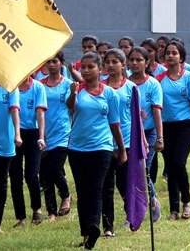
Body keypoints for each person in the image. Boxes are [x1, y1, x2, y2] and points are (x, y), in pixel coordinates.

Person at [66, 52, 126, 250]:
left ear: (100, 69)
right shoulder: (77, 90)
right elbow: (70, 107)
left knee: (95, 189)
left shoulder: (109, 94)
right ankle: (86, 233)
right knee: (82, 191)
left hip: (101, 148)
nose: (86, 70)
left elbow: (115, 123)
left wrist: (121, 149)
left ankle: (94, 227)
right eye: (83, 67)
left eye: (90, 67)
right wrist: (73, 93)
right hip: (76, 148)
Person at [157, 40, 190, 220]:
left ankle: (186, 202)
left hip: (185, 125)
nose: (170, 55)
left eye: (174, 53)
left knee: (178, 163)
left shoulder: (189, 78)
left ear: (181, 56)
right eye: (168, 52)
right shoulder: (159, 79)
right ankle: (173, 209)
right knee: (170, 166)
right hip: (166, 126)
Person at [101, 49, 136, 238]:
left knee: (124, 184)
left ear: (124, 65)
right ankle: (108, 226)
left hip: (127, 141)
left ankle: (131, 215)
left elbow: (136, 116)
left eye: (115, 61)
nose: (111, 65)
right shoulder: (99, 87)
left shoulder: (131, 88)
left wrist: (143, 141)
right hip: (105, 142)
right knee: (106, 187)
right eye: (108, 61)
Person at [128, 46, 164, 221]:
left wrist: (159, 136)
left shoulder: (153, 84)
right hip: (129, 133)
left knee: (143, 169)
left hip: (148, 132)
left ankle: (152, 200)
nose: (135, 63)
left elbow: (157, 112)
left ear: (147, 62)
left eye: (139, 60)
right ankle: (138, 206)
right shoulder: (126, 84)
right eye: (132, 60)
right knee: (131, 171)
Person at [39, 52, 73, 222]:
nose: (51, 65)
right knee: (44, 174)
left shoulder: (68, 85)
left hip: (62, 132)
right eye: (48, 62)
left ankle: (66, 195)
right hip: (44, 132)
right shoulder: (40, 85)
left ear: (61, 64)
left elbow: (72, 106)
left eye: (55, 62)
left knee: (55, 168)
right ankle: (51, 212)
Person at [10, 75, 47, 227]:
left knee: (32, 174)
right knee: (15, 176)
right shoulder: (10, 86)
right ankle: (21, 218)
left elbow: (40, 113)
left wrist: (41, 136)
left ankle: (37, 210)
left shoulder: (37, 87)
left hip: (32, 134)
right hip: (14, 134)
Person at [0, 75, 21, 234]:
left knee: (0, 183)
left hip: (4, 141)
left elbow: (14, 111)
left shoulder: (10, 87)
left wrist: (17, 134)